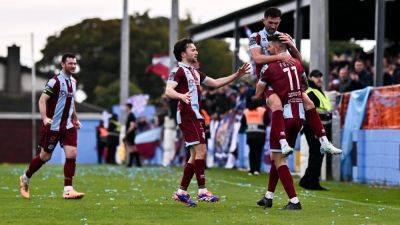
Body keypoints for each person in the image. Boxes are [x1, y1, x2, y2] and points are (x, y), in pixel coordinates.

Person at [165, 38, 250, 207]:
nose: (196, 52)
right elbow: (168, 90)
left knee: (195, 155)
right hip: (188, 115)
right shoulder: (178, 71)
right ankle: (202, 191)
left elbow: (216, 83)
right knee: (201, 150)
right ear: (183, 54)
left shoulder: (195, 72)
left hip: (195, 115)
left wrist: (237, 75)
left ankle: (182, 192)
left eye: (196, 50)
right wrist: (181, 96)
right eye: (193, 50)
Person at [249, 7, 341, 155]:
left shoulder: (285, 36)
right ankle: (283, 143)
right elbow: (257, 58)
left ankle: (324, 142)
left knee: (309, 104)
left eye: (276, 23)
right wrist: (280, 57)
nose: (273, 26)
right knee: (277, 105)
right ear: (264, 20)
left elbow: (297, 61)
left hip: (286, 77)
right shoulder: (256, 36)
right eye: (270, 22)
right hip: (268, 79)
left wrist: (292, 46)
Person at [19, 53, 85, 199]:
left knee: (72, 153)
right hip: (53, 126)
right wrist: (44, 118)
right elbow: (42, 101)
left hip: (68, 126)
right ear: (62, 64)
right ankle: (25, 178)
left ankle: (68, 189)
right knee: (45, 157)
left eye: (75, 63)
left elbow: (71, 101)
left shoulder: (73, 82)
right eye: (70, 63)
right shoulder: (54, 81)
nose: (73, 66)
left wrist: (75, 118)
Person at [254, 34, 306, 210]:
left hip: (282, 117)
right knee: (277, 157)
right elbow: (304, 82)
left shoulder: (269, 68)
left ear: (276, 47)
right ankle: (268, 196)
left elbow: (258, 92)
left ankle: (294, 201)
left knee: (278, 158)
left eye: (269, 46)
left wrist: (268, 91)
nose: (267, 48)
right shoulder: (296, 63)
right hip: (298, 115)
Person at [299, 70, 334, 190]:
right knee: (317, 155)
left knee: (316, 155)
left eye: (321, 76)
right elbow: (310, 114)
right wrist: (316, 131)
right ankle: (313, 182)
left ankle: (306, 180)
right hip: (314, 129)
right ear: (310, 78)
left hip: (320, 129)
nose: (319, 79)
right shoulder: (311, 92)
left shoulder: (318, 92)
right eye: (316, 77)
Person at [240, 98, 270, 175]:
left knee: (251, 151)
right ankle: (257, 170)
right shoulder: (262, 110)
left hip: (250, 134)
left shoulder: (246, 111)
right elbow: (267, 121)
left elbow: (243, 123)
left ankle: (251, 170)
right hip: (260, 134)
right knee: (258, 152)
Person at [124, 103, 141, 167]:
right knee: (132, 148)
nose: (125, 109)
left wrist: (127, 133)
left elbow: (132, 126)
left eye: (126, 107)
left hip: (130, 134)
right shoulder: (129, 115)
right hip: (130, 134)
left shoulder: (131, 115)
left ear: (128, 107)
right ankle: (135, 163)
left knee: (132, 148)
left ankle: (133, 163)